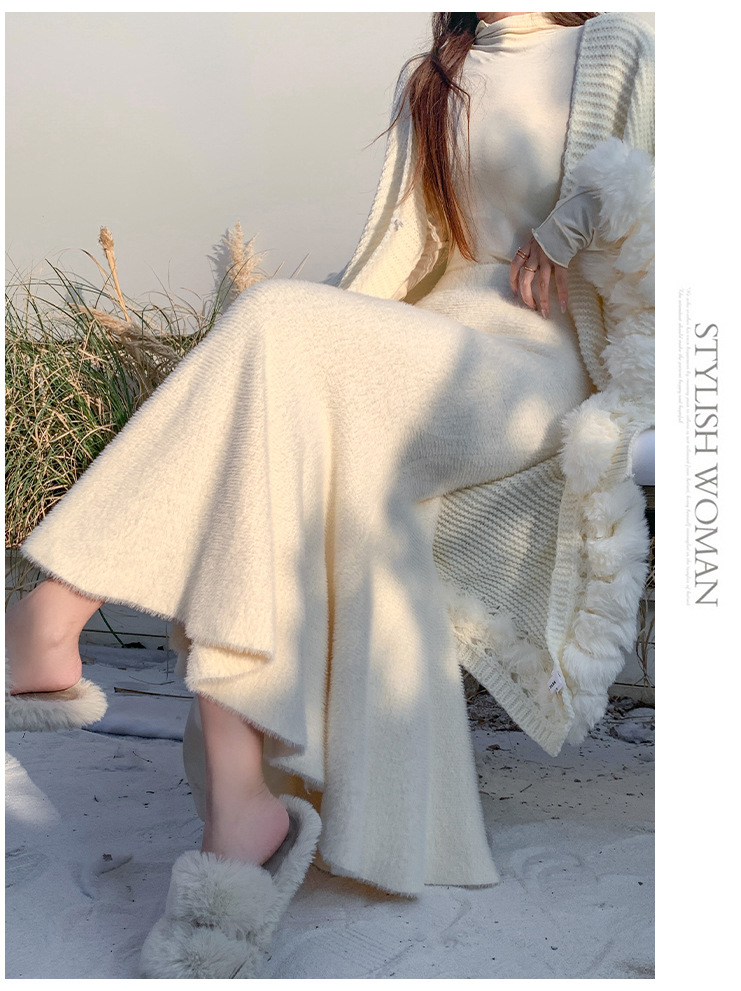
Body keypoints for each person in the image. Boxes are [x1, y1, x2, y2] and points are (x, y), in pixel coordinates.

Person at [5, 11, 654, 980]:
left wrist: (567, 229)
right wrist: (315, 348)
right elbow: (401, 257)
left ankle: (54, 611)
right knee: (276, 405)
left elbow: (670, 208)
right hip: (416, 343)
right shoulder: (437, 75)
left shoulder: (616, 52)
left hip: (526, 367)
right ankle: (241, 809)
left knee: (272, 319)